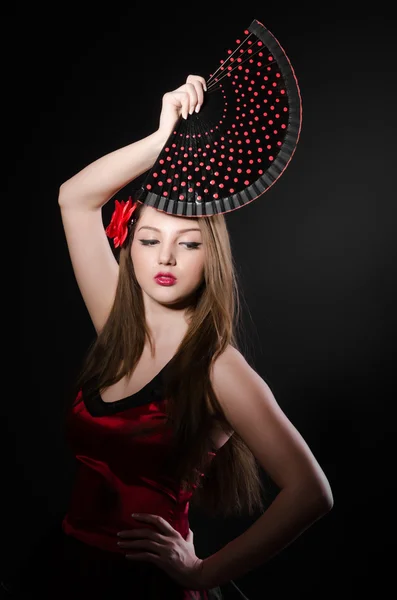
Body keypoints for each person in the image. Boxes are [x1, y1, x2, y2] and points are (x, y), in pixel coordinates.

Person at [4, 74, 333, 599]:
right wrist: (161, 139)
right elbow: (75, 199)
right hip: (66, 566)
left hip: (146, 587)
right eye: (150, 239)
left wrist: (203, 572)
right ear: (128, 247)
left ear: (212, 259)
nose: (165, 257)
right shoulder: (117, 323)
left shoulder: (218, 368)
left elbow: (311, 494)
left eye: (189, 244)